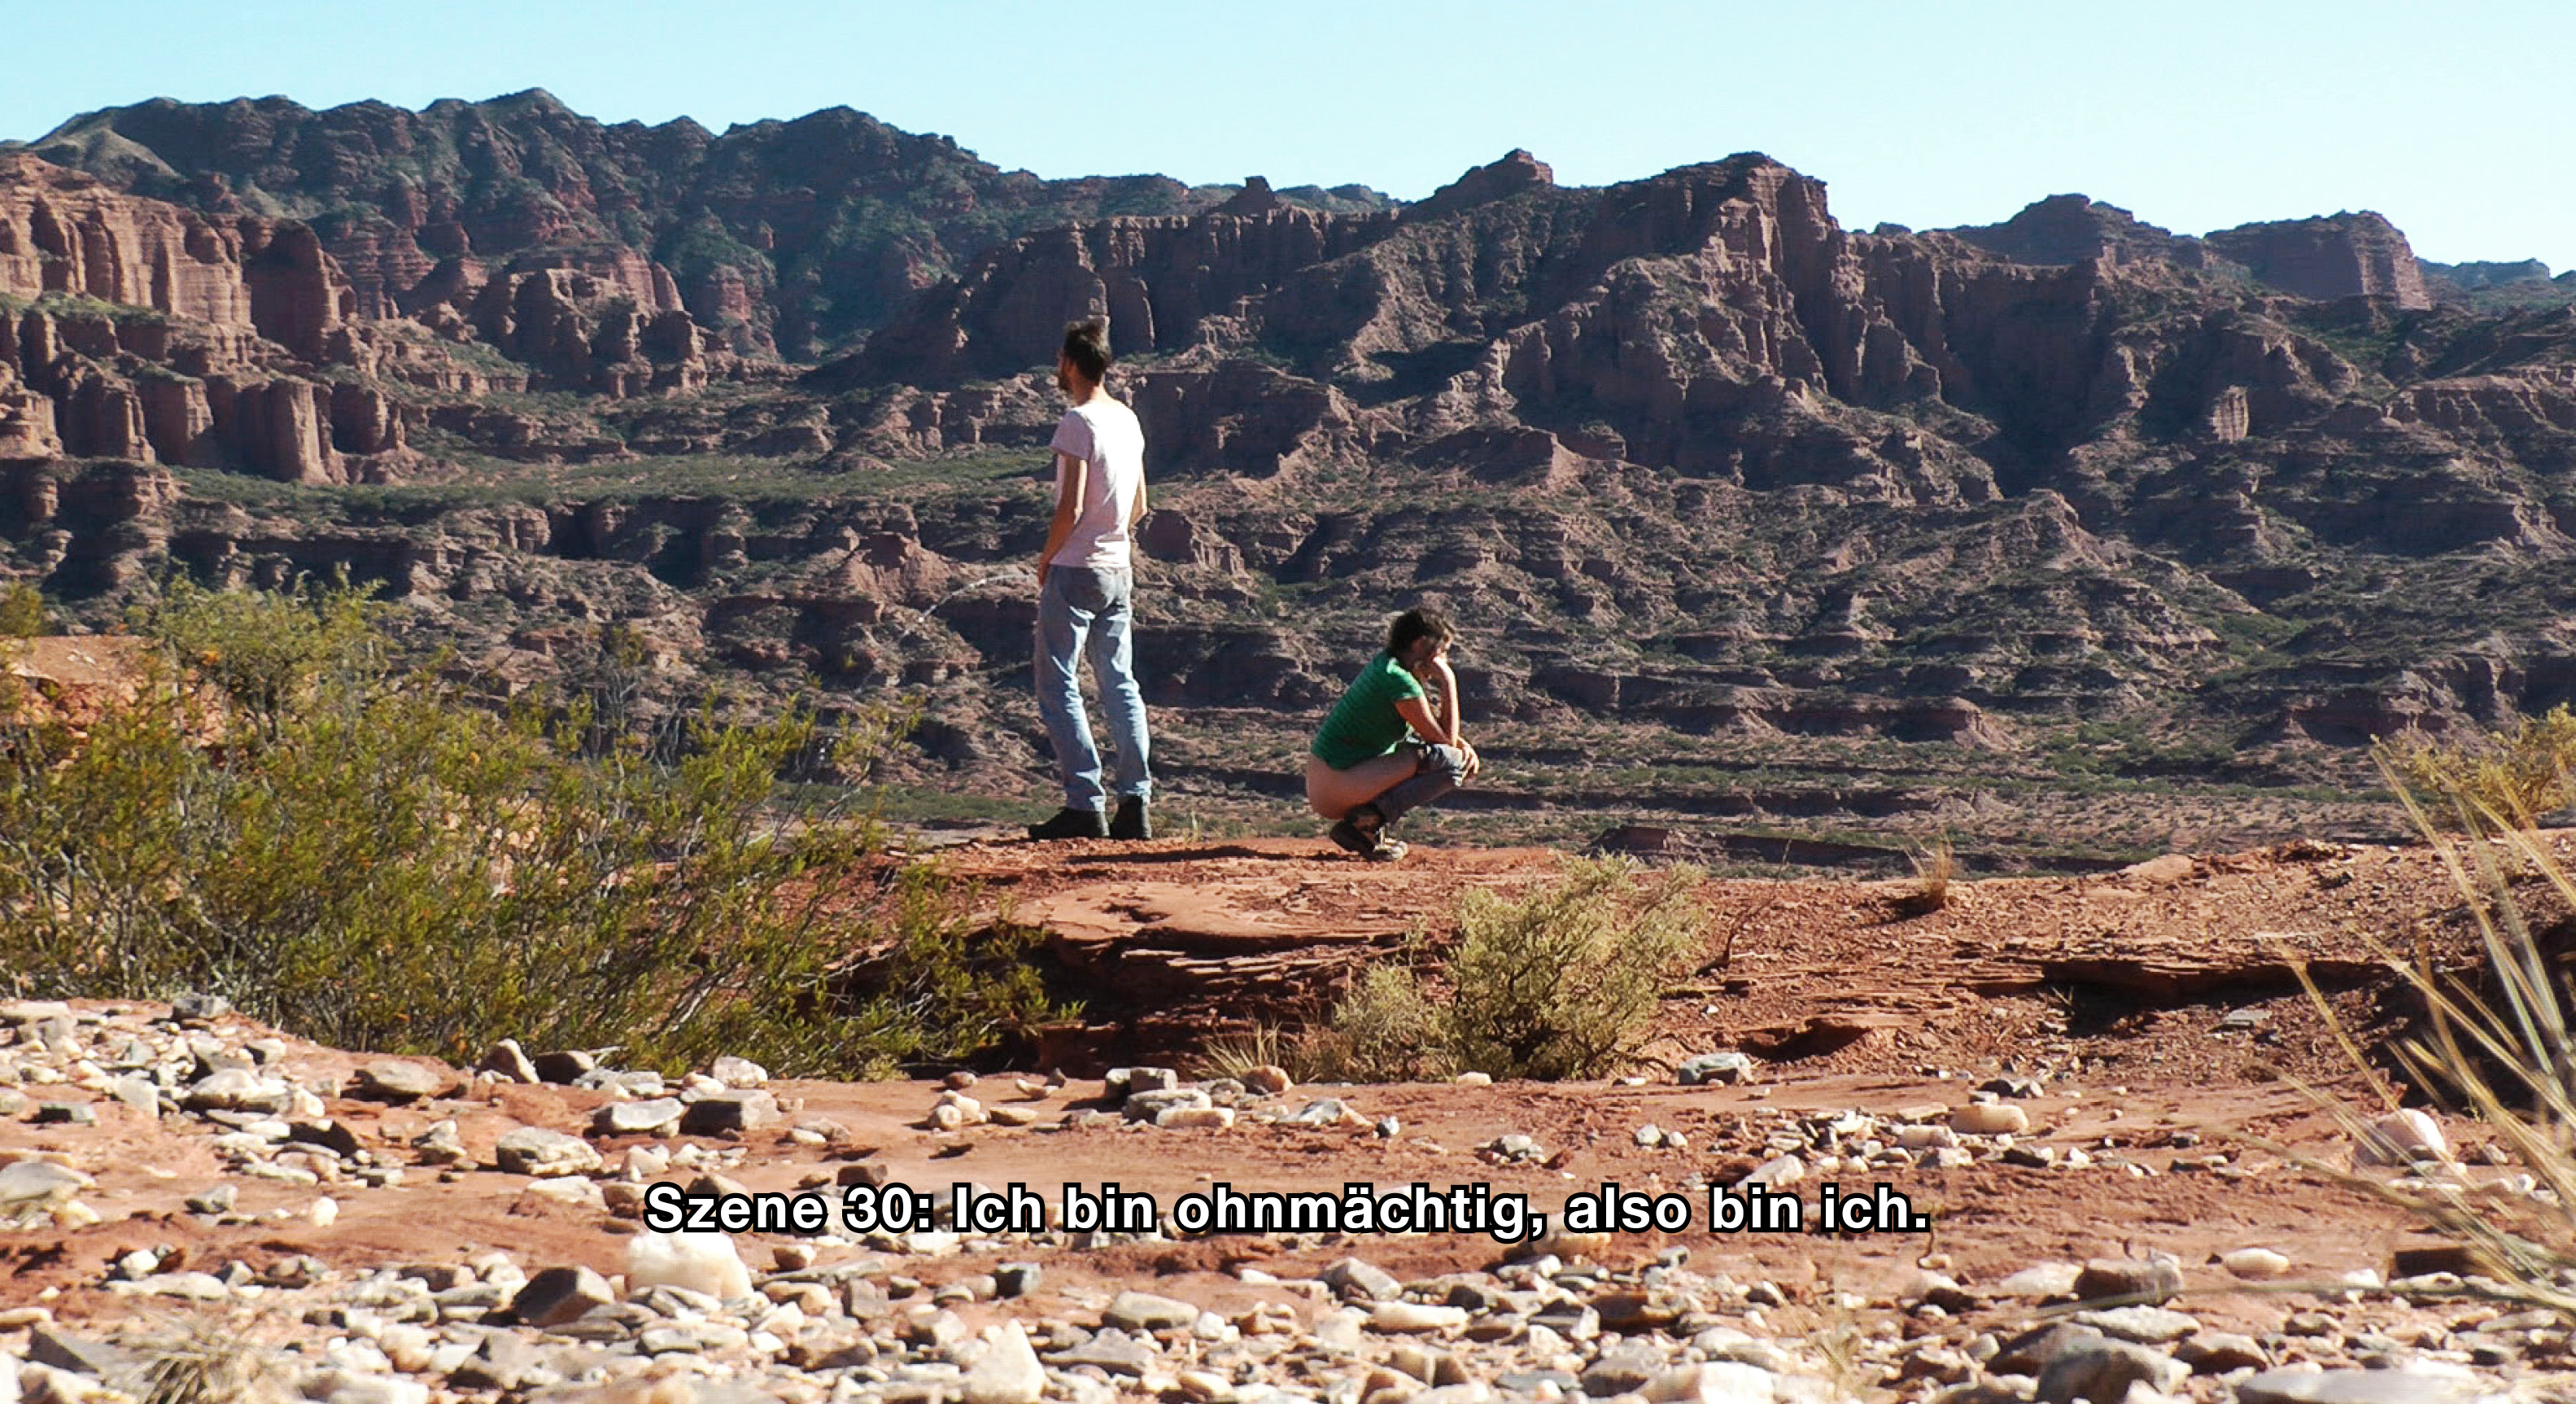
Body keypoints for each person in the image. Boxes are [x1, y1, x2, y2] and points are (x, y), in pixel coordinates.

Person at [1028, 319, 1155, 841]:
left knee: (1058, 683)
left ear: (1070, 364)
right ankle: (1136, 804)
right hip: (1118, 569)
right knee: (1120, 684)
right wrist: (1111, 537)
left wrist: (1047, 558)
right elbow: (1141, 503)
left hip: (1076, 568)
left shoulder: (1077, 422)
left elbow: (1070, 507)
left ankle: (1084, 804)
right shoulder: (1127, 419)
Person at [1306, 608, 1480, 861]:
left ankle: (1368, 825)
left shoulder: (1386, 665)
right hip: (1337, 782)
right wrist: (1448, 681)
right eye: (1443, 652)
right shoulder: (1398, 680)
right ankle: (1364, 824)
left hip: (1330, 777)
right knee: (1451, 763)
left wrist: (1463, 745)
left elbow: (1428, 730)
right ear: (1421, 644)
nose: (1444, 659)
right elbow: (1445, 745)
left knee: (1440, 754)